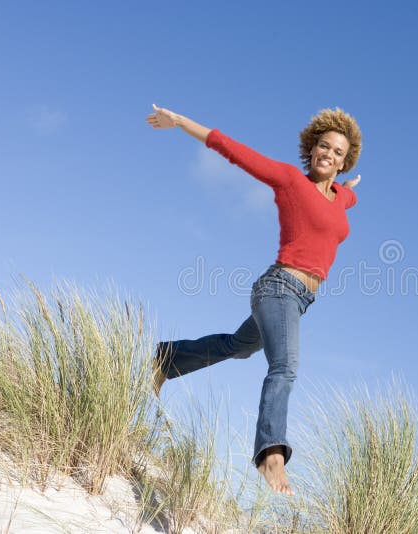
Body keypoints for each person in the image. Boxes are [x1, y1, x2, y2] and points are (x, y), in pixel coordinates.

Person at [145, 104, 362, 495]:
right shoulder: (289, 180)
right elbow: (231, 149)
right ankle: (270, 454)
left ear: (345, 162)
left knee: (236, 346)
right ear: (312, 147)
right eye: (324, 147)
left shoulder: (340, 197)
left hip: (299, 303)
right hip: (277, 288)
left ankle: (166, 358)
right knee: (285, 366)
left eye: (338, 153)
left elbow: (346, 201)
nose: (329, 155)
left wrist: (349, 191)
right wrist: (179, 122)